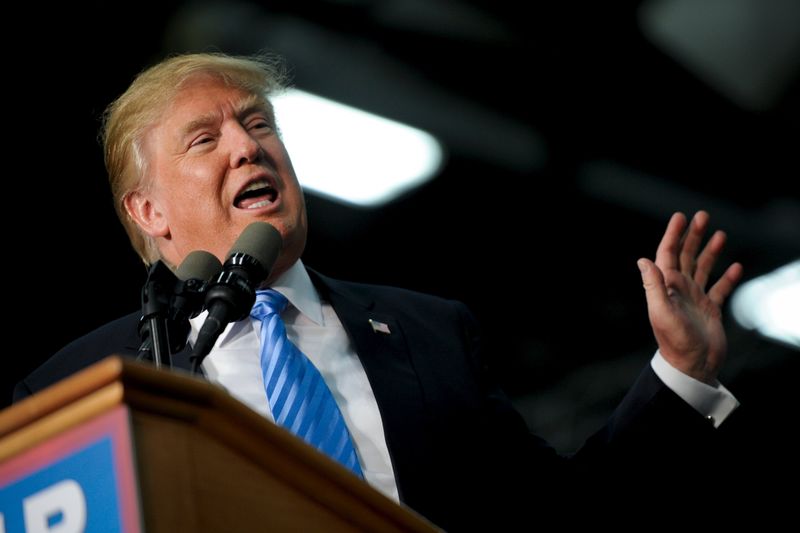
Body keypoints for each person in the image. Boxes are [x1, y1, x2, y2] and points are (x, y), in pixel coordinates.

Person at [15, 53, 744, 529]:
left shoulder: (430, 335)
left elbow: (566, 519)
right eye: (205, 140)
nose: (248, 145)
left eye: (257, 122)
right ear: (149, 212)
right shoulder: (74, 390)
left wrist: (681, 373)